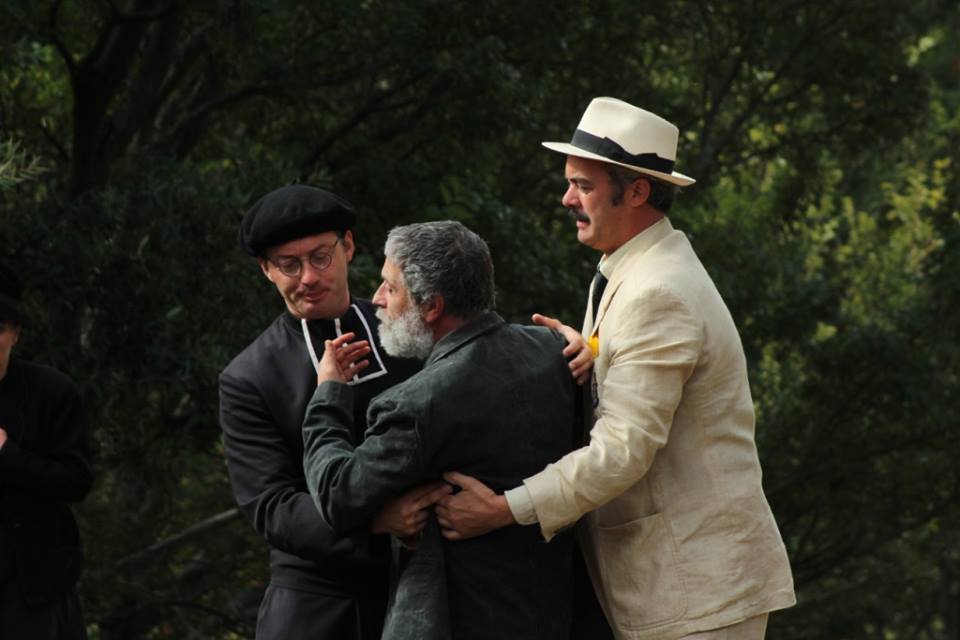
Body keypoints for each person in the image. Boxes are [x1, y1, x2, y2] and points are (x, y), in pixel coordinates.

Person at [436, 97, 796, 639]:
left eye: (582, 185)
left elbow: (624, 448)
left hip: (697, 596)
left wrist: (505, 508)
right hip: (680, 588)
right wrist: (588, 354)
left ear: (637, 192)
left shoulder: (657, 290)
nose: (567, 199)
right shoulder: (637, 267)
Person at [302, 220, 579, 640]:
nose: (376, 299)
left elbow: (337, 494)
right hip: (561, 611)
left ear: (431, 306)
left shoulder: (414, 405)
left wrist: (328, 393)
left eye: (390, 288)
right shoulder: (555, 350)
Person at [218, 185, 441, 640]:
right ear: (266, 269)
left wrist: (570, 351)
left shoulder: (413, 331)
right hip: (318, 603)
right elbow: (272, 507)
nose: (307, 278)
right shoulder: (249, 376)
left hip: (431, 586)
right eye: (288, 265)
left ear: (348, 247)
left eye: (320, 257)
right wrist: (376, 523)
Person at [0, 261, 92, 640]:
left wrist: (8, 455)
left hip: (33, 589)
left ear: (15, 333)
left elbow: (77, 480)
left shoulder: (52, 392)